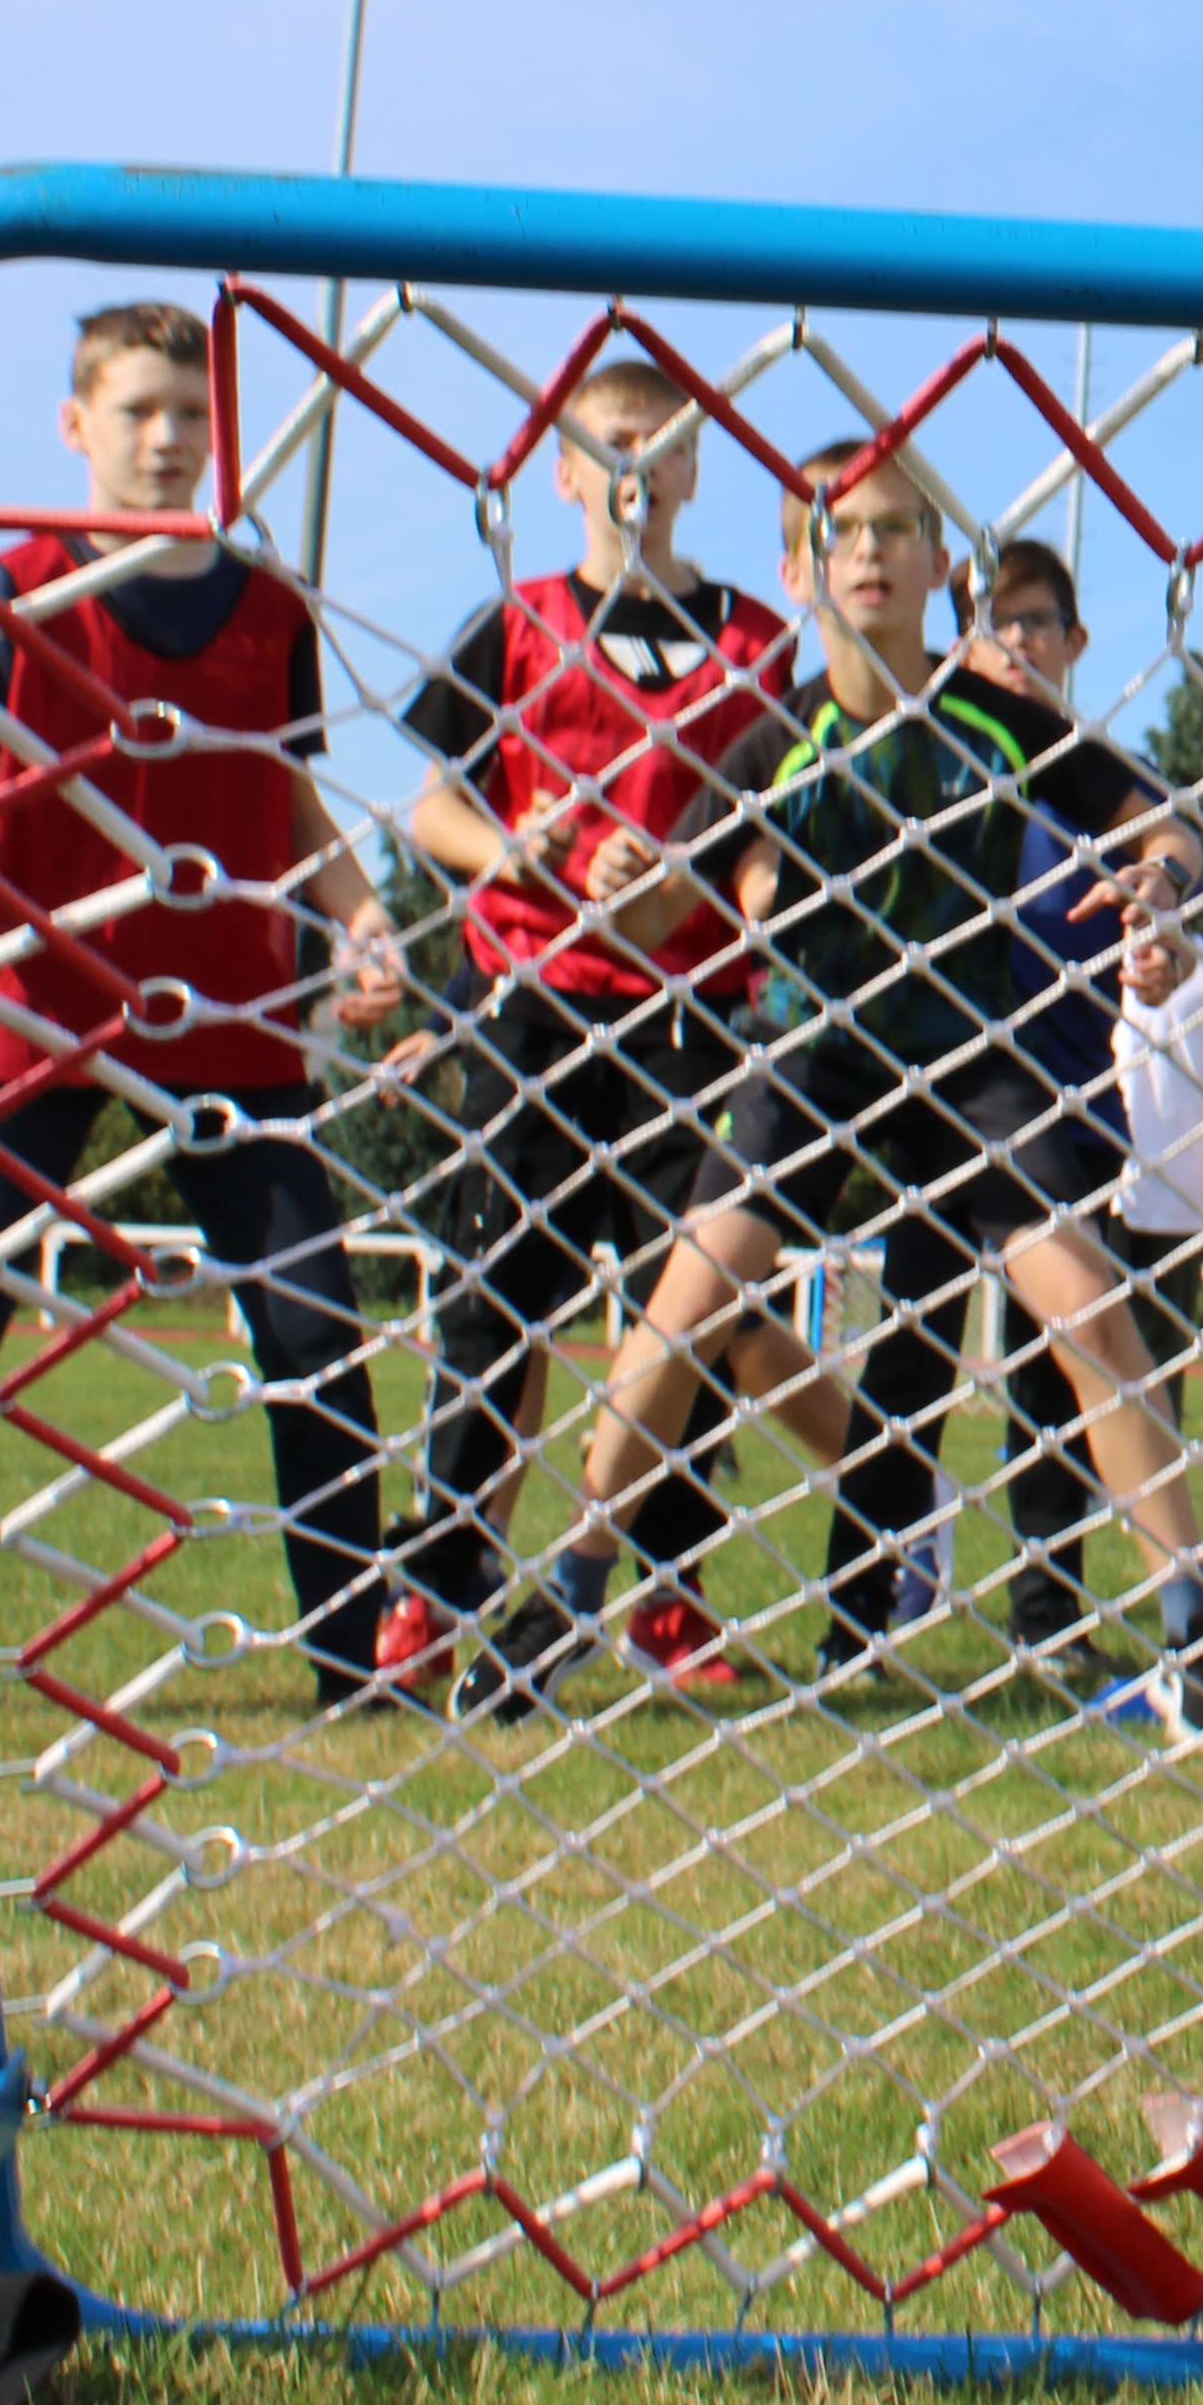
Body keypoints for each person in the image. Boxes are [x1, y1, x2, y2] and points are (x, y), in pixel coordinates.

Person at [534, 443, 1203, 1734]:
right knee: (689, 1302)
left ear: (942, 567)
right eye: (840, 532)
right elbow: (663, 906)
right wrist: (616, 879)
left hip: (974, 1054)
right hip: (815, 1051)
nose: (866, 552)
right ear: (797, 566)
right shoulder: (778, 738)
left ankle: (1198, 1635)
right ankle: (574, 1588)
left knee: (1088, 1309)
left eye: (892, 530)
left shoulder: (1006, 722)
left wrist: (1162, 884)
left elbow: (1160, 822)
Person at [0, 300, 411, 1717]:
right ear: (76, 428)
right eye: (139, 412)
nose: (170, 439)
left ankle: (361, 1679)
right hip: (45, 1007)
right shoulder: (9, 595)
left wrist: (361, 915)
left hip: (232, 1015)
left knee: (312, 1333)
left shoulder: (270, 606)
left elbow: (292, 789)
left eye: (192, 413)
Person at [378, 354, 804, 1703]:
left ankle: (664, 1599)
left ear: (690, 472)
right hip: (533, 1008)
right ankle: (439, 1591)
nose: (636, 464)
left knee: (685, 1323)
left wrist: (703, 869)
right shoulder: (518, 623)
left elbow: (784, 825)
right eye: (611, 442)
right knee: (495, 1303)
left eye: (661, 444)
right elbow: (427, 811)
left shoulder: (756, 644)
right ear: (564, 472)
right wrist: (519, 848)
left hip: (695, 1019)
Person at [961, 537, 1203, 1670]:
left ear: (1074, 645)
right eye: (997, 622)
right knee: (913, 1354)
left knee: (1056, 1365)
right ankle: (861, 1605)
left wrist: (1156, 929)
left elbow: (1174, 865)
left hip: (1065, 1104)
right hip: (934, 1089)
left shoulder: (1093, 780)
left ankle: (1047, 1601)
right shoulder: (942, 758)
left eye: (1037, 623)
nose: (1015, 641)